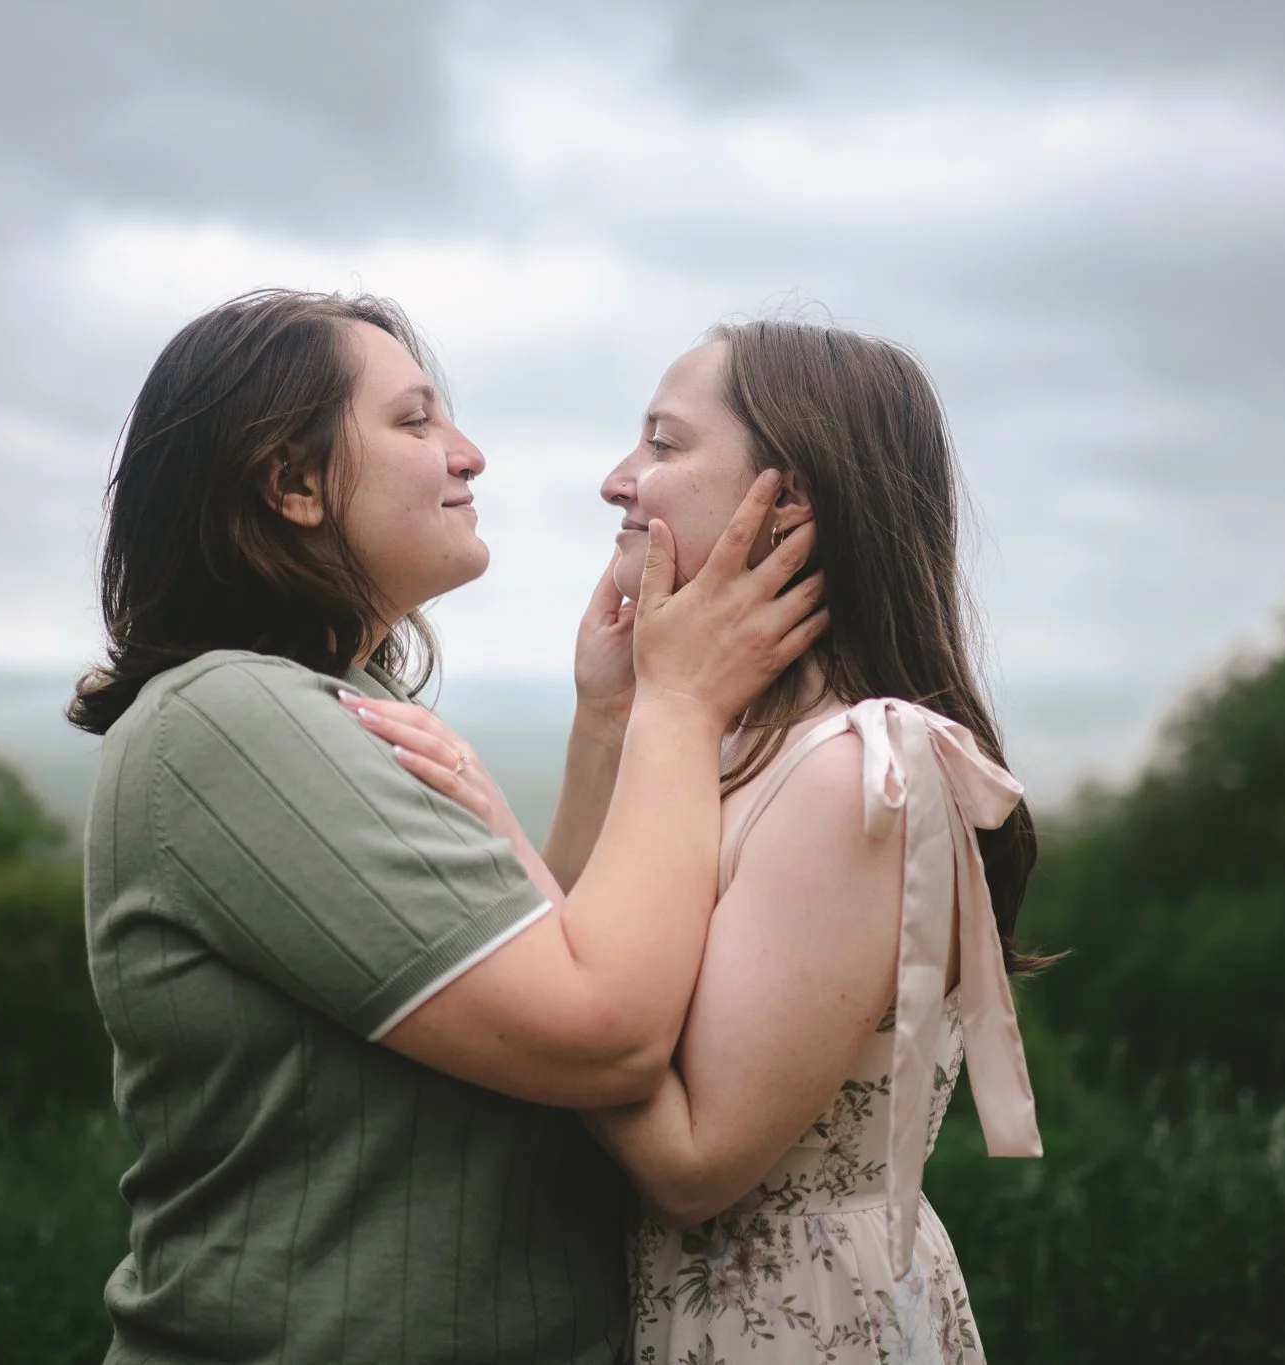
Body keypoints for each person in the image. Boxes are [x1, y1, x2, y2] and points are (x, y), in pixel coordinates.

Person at [67, 288, 829, 1365]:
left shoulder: (338, 706)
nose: (466, 454)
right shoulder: (229, 721)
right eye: (414, 421)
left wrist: (608, 723)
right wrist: (679, 706)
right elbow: (604, 1032)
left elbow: (529, 957)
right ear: (289, 482)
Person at [361, 318, 1048, 1364]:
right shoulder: (725, 744)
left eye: (663, 445)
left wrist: (494, 832)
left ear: (789, 500)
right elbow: (582, 965)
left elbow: (690, 1167)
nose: (615, 479)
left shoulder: (854, 774)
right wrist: (611, 718)